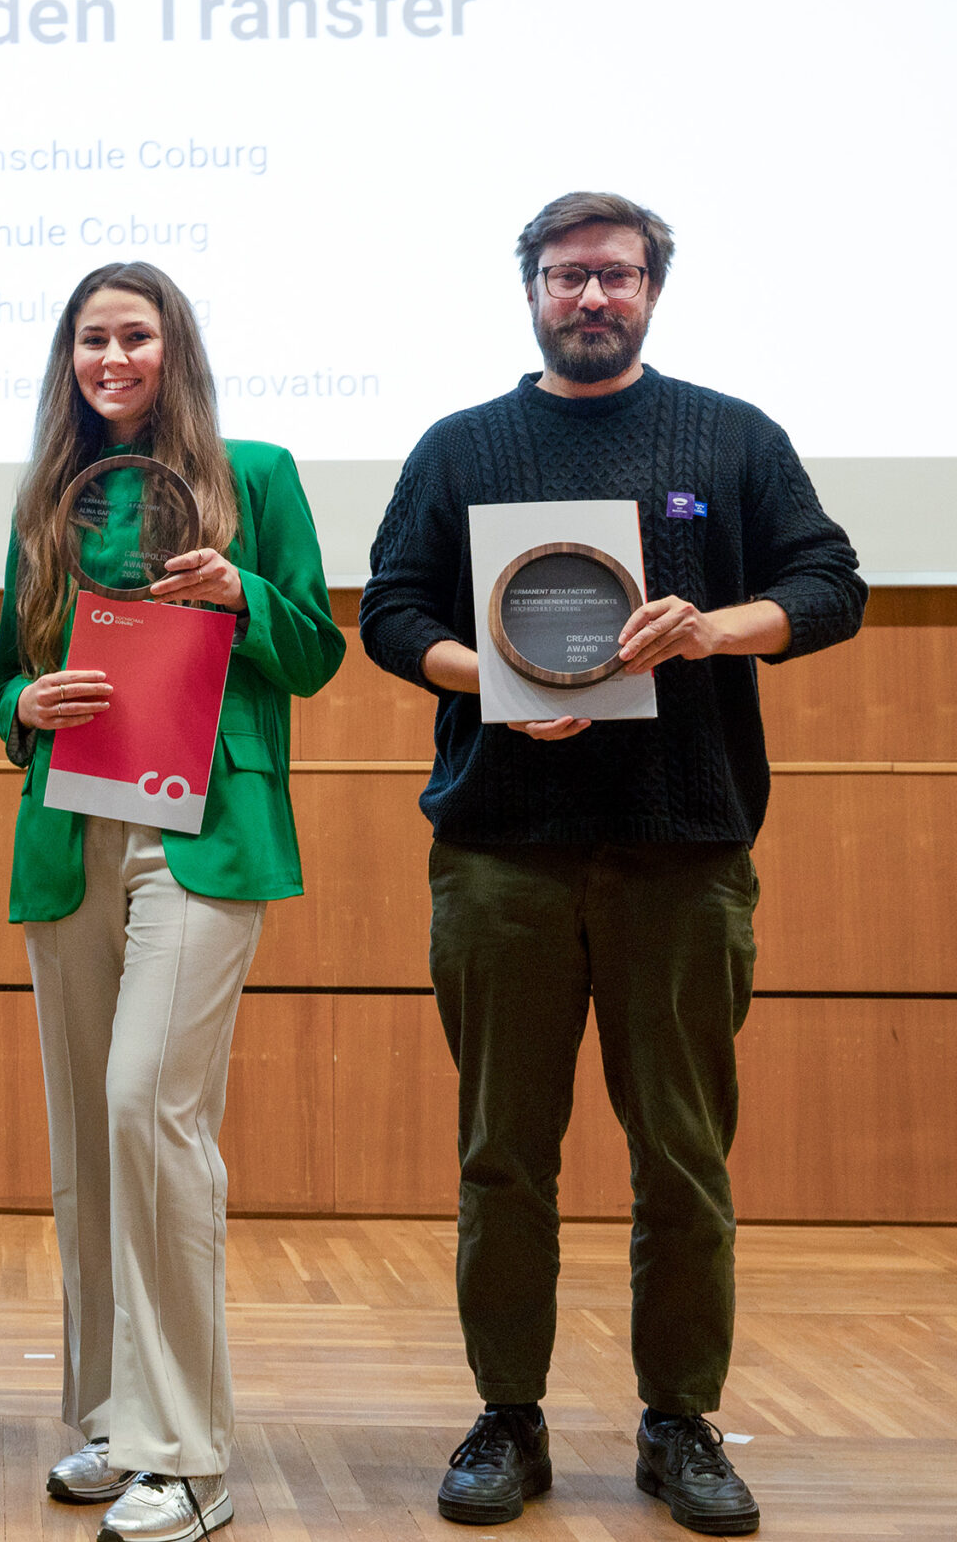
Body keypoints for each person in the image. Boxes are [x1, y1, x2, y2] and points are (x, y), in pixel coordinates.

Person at [360, 192, 867, 1535]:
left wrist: (715, 629)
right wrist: (495, 674)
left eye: (617, 276)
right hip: (500, 855)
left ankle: (680, 1417)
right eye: (570, 274)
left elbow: (831, 584)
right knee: (502, 1156)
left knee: (684, 1156)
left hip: (682, 852)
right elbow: (391, 610)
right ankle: (506, 1413)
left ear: (653, 289)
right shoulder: (462, 443)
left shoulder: (732, 434)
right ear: (529, 284)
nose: (593, 296)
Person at [0, 262, 342, 1542]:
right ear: (68, 357)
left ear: (172, 345)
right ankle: (112, 1419)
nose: (112, 356)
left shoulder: (257, 468)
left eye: (134, 333)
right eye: (91, 337)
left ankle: (188, 1456)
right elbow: (4, 681)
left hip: (204, 827)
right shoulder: (43, 495)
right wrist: (19, 708)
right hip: (71, 831)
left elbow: (312, 650)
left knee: (151, 1107)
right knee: (89, 1134)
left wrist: (237, 595)